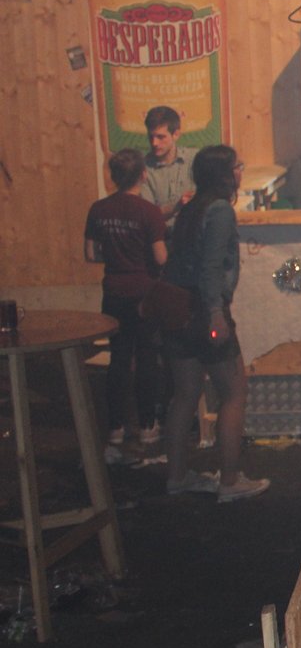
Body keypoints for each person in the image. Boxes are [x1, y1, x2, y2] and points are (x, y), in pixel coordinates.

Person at [161, 145, 270, 502]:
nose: (240, 171)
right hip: (205, 310)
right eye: (237, 166)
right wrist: (215, 314)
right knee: (234, 392)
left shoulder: (191, 208)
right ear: (224, 175)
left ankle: (177, 476)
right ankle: (230, 479)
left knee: (184, 396)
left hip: (177, 310)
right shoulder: (220, 210)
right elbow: (211, 268)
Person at [84, 148, 167, 460]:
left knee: (118, 358)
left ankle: (116, 427)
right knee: (146, 357)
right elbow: (160, 257)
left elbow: (91, 254)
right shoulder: (150, 212)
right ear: (143, 175)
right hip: (144, 291)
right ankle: (147, 425)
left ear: (113, 177)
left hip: (114, 290)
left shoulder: (98, 209)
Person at [140, 104, 194, 226]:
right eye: (151, 137)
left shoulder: (194, 160)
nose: (154, 143)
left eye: (160, 137)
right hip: (160, 235)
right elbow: (148, 217)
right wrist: (177, 205)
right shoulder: (142, 168)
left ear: (176, 134)